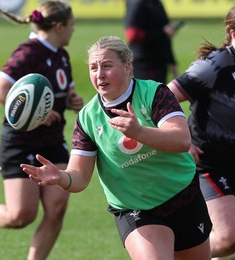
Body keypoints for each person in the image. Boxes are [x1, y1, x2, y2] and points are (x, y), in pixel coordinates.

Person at [20, 36, 213, 260]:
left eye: (107, 66)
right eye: (93, 68)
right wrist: (61, 177)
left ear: (127, 66)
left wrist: (139, 132)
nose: (99, 74)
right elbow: (79, 177)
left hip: (183, 196)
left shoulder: (154, 93)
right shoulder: (88, 117)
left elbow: (181, 140)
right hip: (136, 209)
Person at [0, 1, 84, 259]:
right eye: (71, 26)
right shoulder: (29, 53)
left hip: (52, 142)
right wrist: (39, 114)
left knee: (56, 209)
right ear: (59, 26)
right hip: (20, 144)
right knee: (21, 215)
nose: (73, 31)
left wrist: (71, 101)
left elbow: (59, 92)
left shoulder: (61, 54)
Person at [167, 6, 235, 259]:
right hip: (212, 163)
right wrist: (182, 141)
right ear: (233, 32)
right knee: (228, 238)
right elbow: (162, 100)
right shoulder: (215, 65)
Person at [124, 0, 181, 84]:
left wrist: (172, 61)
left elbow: (166, 34)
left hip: (160, 63)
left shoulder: (157, 3)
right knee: (147, 96)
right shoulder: (137, 3)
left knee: (159, 95)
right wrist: (162, 32)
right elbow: (132, 35)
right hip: (144, 65)